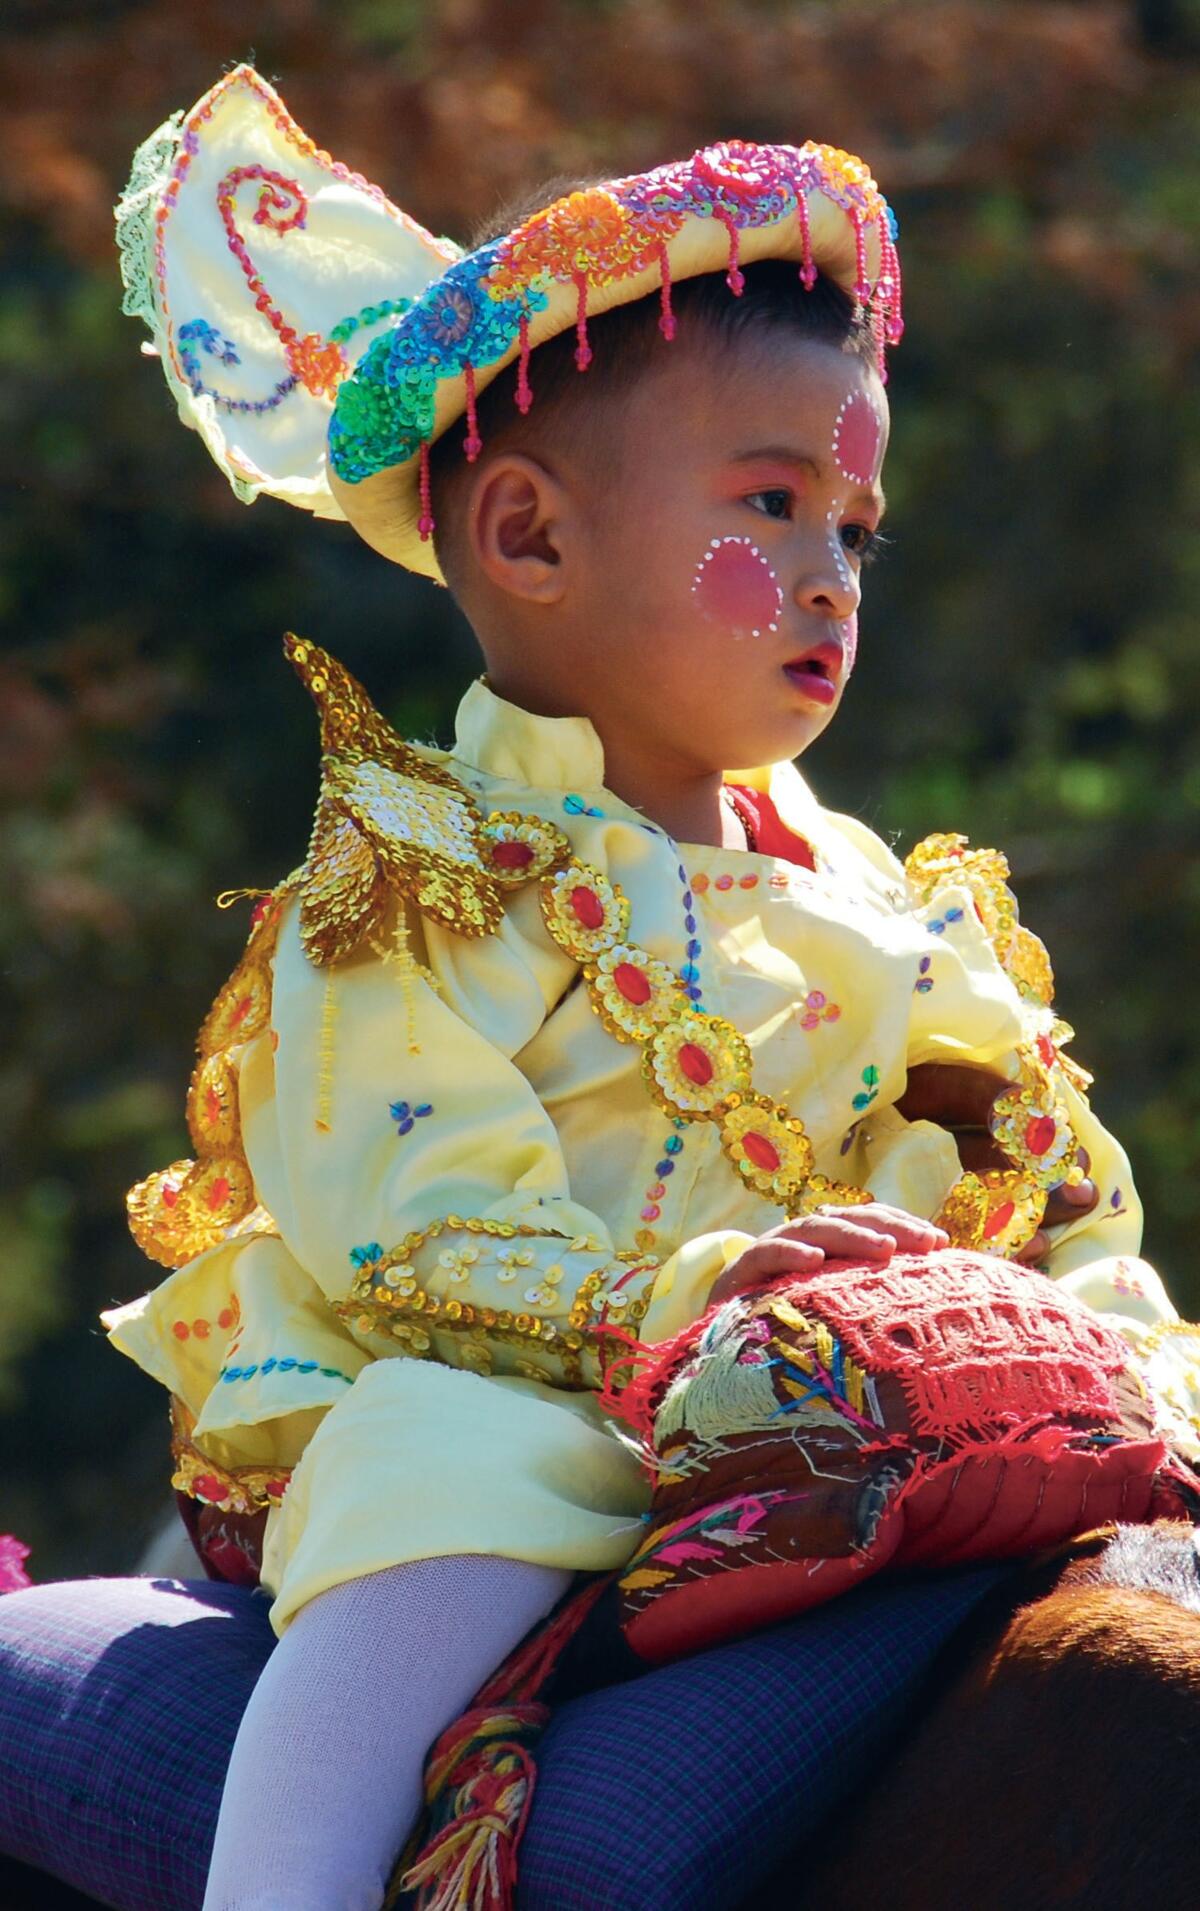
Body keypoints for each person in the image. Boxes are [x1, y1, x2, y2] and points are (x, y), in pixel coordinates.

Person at [2, 60, 1198, 1911]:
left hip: (890, 1414)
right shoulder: (414, 884)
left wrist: (1111, 1339)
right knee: (427, 1487)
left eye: (855, 528)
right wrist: (708, 1295)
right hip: (549, 1415)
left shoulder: (896, 910)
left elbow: (1058, 1180)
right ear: (534, 539)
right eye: (775, 505)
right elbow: (419, 1221)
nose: (832, 579)